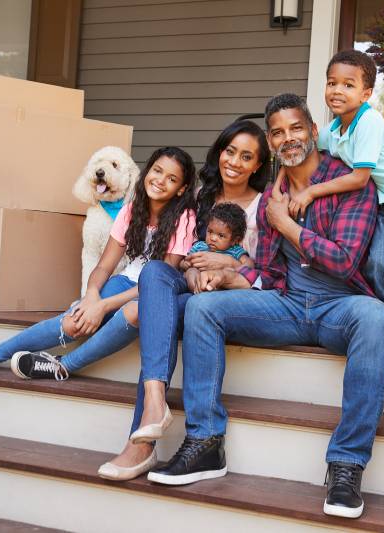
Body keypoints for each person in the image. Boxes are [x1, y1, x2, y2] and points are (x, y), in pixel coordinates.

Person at [148, 93, 384, 520]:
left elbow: (343, 260)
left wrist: (287, 224)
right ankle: (205, 443)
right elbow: (265, 270)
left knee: (377, 316)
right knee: (202, 309)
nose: (287, 138)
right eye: (277, 132)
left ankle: (347, 465)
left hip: (340, 307)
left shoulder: (352, 184)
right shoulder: (273, 194)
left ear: (314, 132)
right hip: (286, 304)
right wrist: (226, 277)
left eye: (296, 128)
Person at [98, 120, 270, 480]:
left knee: (157, 313)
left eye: (246, 156)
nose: (234, 162)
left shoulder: (265, 205)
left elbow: (268, 269)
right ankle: (155, 405)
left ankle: (139, 446)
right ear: (218, 151)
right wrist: (192, 272)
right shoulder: (201, 198)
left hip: (232, 296)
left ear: (257, 165)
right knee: (154, 273)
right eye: (229, 151)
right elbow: (187, 254)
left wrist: (227, 264)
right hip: (193, 289)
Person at [272, 49, 384, 407]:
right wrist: (279, 185)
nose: (337, 90)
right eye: (332, 83)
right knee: (377, 265)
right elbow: (295, 151)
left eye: (348, 85)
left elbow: (359, 177)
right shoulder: (335, 128)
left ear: (366, 93)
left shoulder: (368, 123)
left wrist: (314, 190)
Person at [0, 146, 196, 385]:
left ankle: (63, 365)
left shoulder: (184, 219)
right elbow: (103, 267)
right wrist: (91, 297)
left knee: (130, 313)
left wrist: (103, 306)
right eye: (157, 171)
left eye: (171, 179)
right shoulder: (131, 211)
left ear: (182, 189)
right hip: (126, 281)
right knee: (76, 319)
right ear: (148, 171)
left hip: (155, 292)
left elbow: (158, 281)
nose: (160, 180)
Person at [181, 203, 253, 289]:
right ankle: (197, 288)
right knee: (191, 271)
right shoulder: (199, 246)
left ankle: (211, 288)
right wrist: (185, 264)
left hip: (221, 282)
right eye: (210, 231)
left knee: (228, 272)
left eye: (221, 235)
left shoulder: (235, 250)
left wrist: (235, 268)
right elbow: (184, 261)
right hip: (199, 278)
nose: (213, 238)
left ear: (235, 240)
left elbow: (250, 264)